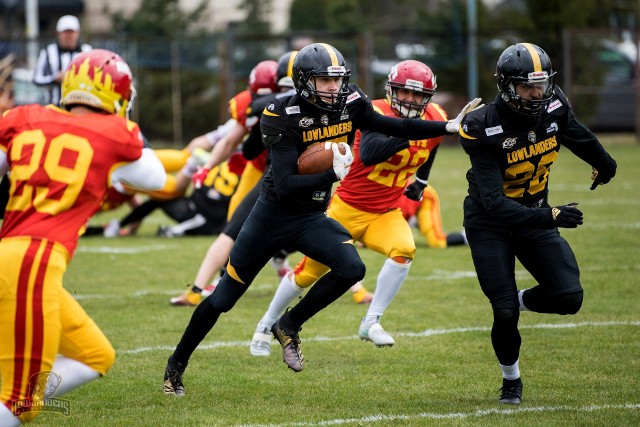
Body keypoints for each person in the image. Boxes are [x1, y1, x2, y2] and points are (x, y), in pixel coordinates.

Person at [163, 42, 480, 396]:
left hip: (311, 216)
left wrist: (448, 127)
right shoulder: (280, 113)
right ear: (302, 81)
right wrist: (333, 173)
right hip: (272, 216)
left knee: (352, 268)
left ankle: (288, 324)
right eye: (323, 81)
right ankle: (176, 363)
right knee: (223, 299)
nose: (333, 88)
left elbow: (390, 125)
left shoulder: (350, 102)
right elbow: (283, 185)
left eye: (337, 80)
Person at [0, 49, 166, 425]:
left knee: (95, 355)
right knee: (20, 402)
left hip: (17, 255)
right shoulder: (116, 133)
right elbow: (155, 179)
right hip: (34, 260)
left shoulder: (22, 118)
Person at [248, 59, 453, 356]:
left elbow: (430, 145)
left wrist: (421, 179)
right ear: (391, 90)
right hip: (348, 207)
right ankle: (266, 324)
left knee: (404, 250)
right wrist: (412, 130)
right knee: (307, 273)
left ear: (428, 98)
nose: (409, 99)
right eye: (403, 92)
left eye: (417, 95)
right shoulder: (375, 111)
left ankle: (371, 321)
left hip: (386, 211)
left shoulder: (436, 116)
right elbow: (369, 153)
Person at [458, 42, 617, 406]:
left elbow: (576, 134)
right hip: (490, 222)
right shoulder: (481, 125)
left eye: (542, 84)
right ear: (506, 86)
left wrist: (606, 164)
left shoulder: (554, 104)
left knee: (568, 297)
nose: (536, 92)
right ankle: (511, 381)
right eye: (527, 86)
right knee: (502, 313)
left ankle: (516, 301)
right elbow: (495, 206)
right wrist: (551, 215)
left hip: (534, 213)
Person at [169, 54, 296, 307]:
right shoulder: (258, 105)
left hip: (291, 174)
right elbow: (232, 142)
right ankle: (208, 283)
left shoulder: (286, 104)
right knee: (235, 227)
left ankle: (279, 258)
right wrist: (207, 166)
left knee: (322, 227)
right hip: (267, 171)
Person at [32, 15, 92, 106]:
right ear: (58, 33)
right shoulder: (47, 52)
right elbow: (36, 79)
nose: (68, 36)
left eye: (71, 32)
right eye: (65, 32)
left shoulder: (87, 51)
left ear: (78, 33)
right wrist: (54, 79)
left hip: (81, 107)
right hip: (53, 106)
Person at [399, 183, 467, 248]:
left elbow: (403, 214)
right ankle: (417, 222)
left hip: (423, 195)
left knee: (438, 241)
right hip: (409, 197)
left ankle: (467, 236)